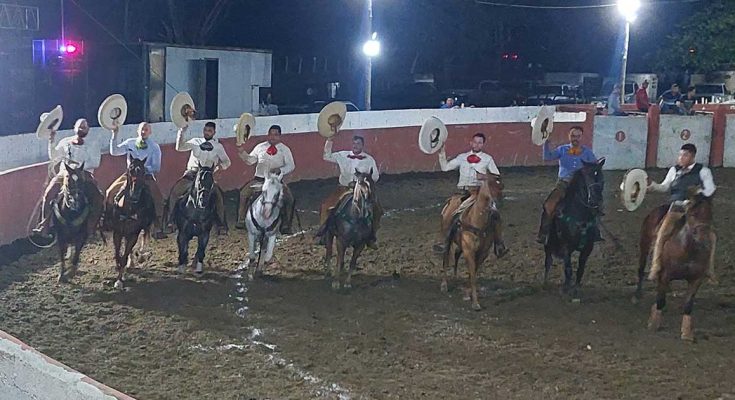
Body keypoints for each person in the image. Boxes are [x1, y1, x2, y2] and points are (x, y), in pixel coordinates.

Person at [647, 143, 716, 280]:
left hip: (696, 209)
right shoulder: (674, 170)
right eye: (680, 155)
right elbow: (665, 186)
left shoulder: (703, 171)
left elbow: (710, 189)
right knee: (662, 233)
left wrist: (698, 193)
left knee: (711, 237)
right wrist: (653, 186)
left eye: (685, 155)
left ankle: (709, 268)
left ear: (692, 156)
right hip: (677, 207)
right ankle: (656, 266)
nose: (681, 158)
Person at [437, 132, 508, 257]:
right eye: (475, 142)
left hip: (480, 193)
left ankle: (499, 244)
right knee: (448, 213)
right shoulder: (462, 157)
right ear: (471, 143)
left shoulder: (487, 159)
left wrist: (485, 176)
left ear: (483, 144)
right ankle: (445, 241)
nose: (477, 144)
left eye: (479, 142)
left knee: (495, 214)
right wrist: (441, 153)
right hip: (462, 192)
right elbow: (445, 167)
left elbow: (497, 177)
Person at [33, 118, 104, 239]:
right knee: (48, 194)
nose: (82, 129)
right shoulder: (65, 142)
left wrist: (77, 167)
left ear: (88, 130)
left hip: (84, 174)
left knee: (98, 197)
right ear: (74, 128)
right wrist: (51, 141)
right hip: (65, 173)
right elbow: (55, 156)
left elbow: (95, 162)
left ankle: (93, 226)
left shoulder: (93, 144)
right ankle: (44, 226)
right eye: (80, 126)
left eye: (84, 127)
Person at [537, 126, 603, 244]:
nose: (575, 139)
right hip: (564, 183)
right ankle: (544, 232)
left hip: (582, 185)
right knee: (549, 204)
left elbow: (594, 166)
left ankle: (596, 230)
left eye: (578, 136)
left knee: (595, 203)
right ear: (569, 136)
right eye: (573, 136)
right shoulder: (562, 150)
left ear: (581, 137)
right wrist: (545, 142)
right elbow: (547, 157)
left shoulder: (587, 152)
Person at [316, 135, 381, 249]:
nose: (356, 146)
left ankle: (371, 236)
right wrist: (330, 140)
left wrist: (363, 181)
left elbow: (375, 176)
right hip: (343, 188)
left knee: (376, 210)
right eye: (354, 143)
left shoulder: (369, 159)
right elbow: (327, 156)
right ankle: (323, 234)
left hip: (361, 190)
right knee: (326, 206)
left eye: (359, 144)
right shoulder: (342, 155)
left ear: (362, 145)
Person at [166, 121, 231, 234]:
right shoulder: (195, 141)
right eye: (205, 130)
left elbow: (227, 162)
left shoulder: (218, 146)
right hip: (192, 173)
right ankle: (170, 220)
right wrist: (182, 131)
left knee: (219, 196)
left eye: (210, 131)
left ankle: (221, 224)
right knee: (175, 192)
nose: (207, 132)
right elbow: (179, 147)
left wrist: (219, 168)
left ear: (214, 132)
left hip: (208, 175)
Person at [106, 122, 166, 239]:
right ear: (137, 131)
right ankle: (108, 220)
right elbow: (114, 151)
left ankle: (158, 226)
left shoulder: (154, 147)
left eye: (146, 130)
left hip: (146, 176)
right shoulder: (130, 143)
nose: (143, 132)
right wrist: (114, 134)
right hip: (130, 175)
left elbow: (156, 167)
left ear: (150, 132)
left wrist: (142, 169)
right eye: (142, 129)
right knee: (110, 191)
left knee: (158, 198)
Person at [236, 124, 296, 234]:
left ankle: (286, 225)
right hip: (259, 179)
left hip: (276, 182)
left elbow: (291, 165)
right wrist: (242, 152)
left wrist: (281, 170)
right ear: (268, 135)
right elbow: (250, 160)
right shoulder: (260, 147)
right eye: (271, 134)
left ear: (279, 136)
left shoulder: (285, 149)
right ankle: (241, 219)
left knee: (290, 199)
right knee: (244, 193)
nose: (273, 137)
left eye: (276, 135)